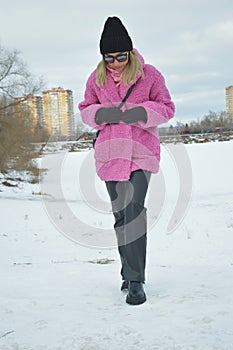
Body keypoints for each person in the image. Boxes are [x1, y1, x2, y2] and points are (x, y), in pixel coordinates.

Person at [78, 16, 175, 305]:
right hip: (110, 154)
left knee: (133, 211)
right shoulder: (96, 79)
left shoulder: (150, 75)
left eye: (122, 56)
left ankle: (135, 281)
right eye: (110, 57)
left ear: (130, 52)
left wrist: (139, 113)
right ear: (103, 56)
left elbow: (167, 107)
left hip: (141, 153)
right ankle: (128, 269)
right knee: (121, 215)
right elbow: (85, 109)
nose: (117, 62)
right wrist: (101, 115)